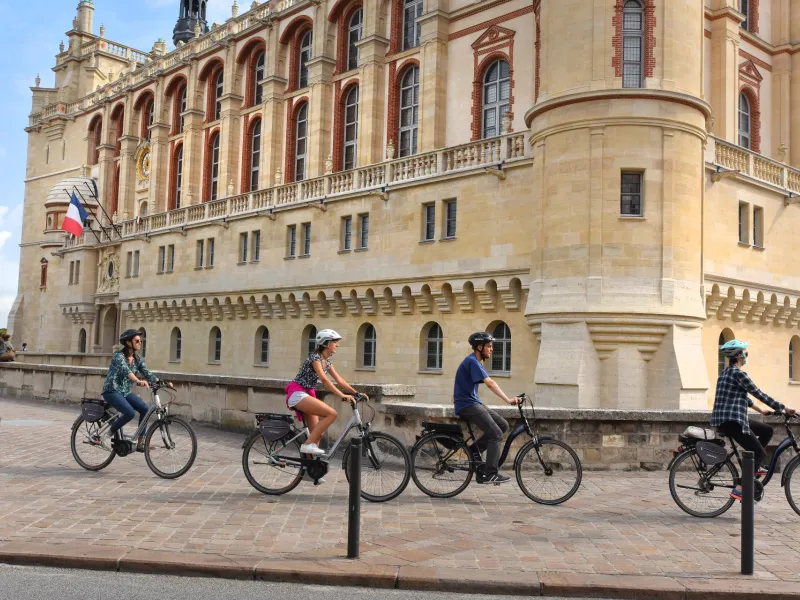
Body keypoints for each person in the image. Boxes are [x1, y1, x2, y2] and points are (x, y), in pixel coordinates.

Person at [712, 339, 797, 500]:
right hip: (733, 421)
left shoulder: (725, 373)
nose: (746, 356)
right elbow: (758, 393)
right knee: (759, 452)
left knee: (767, 430)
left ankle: (753, 468)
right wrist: (784, 408)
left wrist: (760, 410)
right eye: (745, 353)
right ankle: (740, 488)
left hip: (729, 419)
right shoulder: (739, 374)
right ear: (739, 355)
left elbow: (743, 397)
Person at [454, 332, 521, 485]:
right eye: (489, 346)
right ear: (479, 347)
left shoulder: (476, 361)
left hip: (473, 402)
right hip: (467, 405)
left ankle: (473, 451)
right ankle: (491, 473)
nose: (491, 350)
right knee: (496, 433)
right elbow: (490, 383)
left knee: (503, 425)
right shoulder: (472, 361)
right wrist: (508, 400)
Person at [285, 329, 362, 458]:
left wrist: (356, 392)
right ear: (326, 343)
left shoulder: (327, 362)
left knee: (317, 434)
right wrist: (342, 395)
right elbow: (325, 380)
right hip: (297, 393)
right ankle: (307, 444)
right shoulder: (315, 358)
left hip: (307, 394)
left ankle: (311, 472)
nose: (337, 345)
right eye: (334, 342)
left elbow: (339, 380)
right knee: (331, 414)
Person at [100, 329, 165, 451]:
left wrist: (159, 381)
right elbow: (127, 371)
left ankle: (140, 443)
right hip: (111, 390)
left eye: (141, 340)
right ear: (128, 342)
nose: (140, 342)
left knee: (145, 409)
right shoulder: (118, 356)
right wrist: (137, 381)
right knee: (129, 413)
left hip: (125, 392)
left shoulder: (137, 359)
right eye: (137, 341)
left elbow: (146, 372)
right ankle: (105, 437)